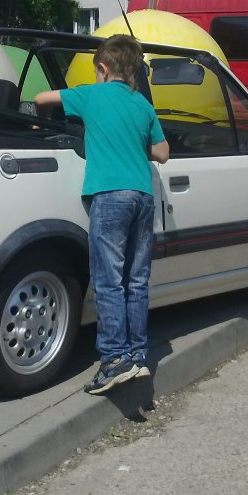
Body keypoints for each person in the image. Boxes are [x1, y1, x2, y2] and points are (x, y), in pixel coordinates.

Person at [35, 34, 170, 395]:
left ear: (104, 68)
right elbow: (162, 152)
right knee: (136, 280)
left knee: (109, 280)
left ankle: (113, 361)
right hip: (142, 196)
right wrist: (133, 142)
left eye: (97, 71)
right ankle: (137, 355)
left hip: (110, 196)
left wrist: (43, 120)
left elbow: (42, 98)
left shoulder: (91, 95)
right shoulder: (143, 105)